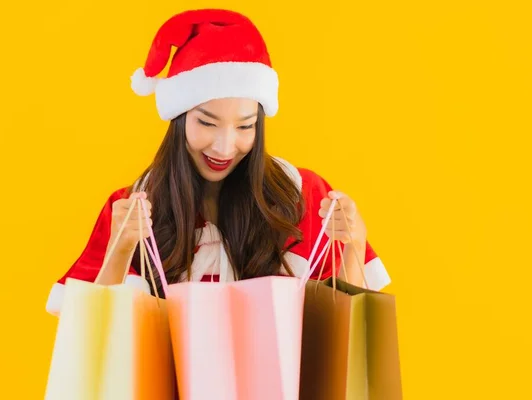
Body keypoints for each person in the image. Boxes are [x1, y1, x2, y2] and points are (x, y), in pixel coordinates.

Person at [46, 8, 391, 316]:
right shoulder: (132, 209)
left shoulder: (303, 197)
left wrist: (354, 245)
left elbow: (344, 328)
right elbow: (94, 332)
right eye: (207, 123)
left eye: (245, 126)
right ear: (179, 118)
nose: (225, 147)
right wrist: (121, 248)